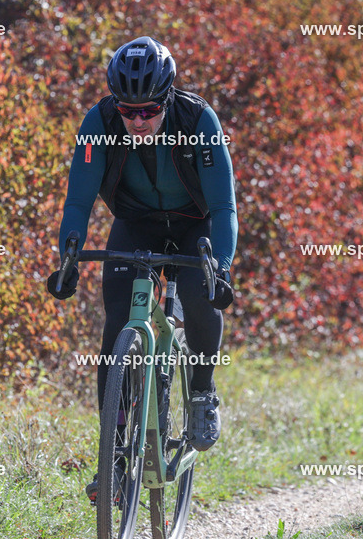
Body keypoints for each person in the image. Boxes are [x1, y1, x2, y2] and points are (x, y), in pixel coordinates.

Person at [46, 36, 238, 502]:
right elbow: (79, 199)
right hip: (136, 225)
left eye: (147, 110)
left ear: (167, 99)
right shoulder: (101, 122)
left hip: (196, 226)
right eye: (127, 110)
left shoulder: (197, 120)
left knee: (198, 294)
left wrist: (222, 267)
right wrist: (68, 256)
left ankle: (202, 395)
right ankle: (112, 459)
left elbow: (223, 204)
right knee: (115, 328)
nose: (136, 121)